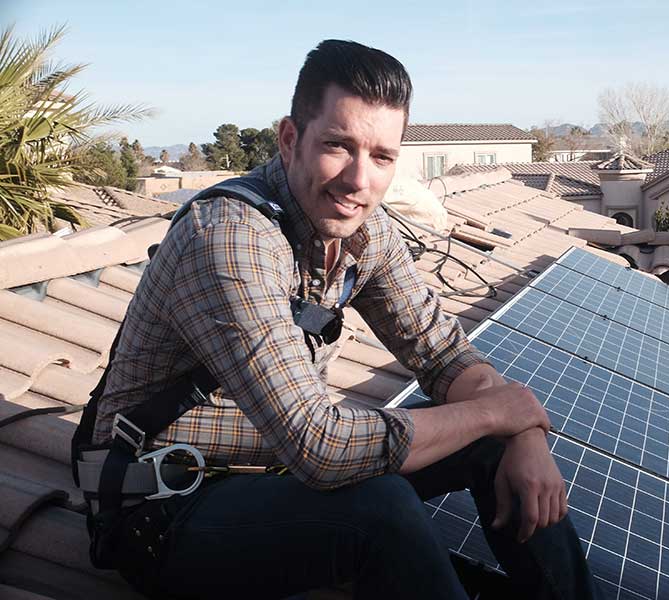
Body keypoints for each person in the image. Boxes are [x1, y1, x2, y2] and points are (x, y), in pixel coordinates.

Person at [91, 39, 599, 599]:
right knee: (382, 511)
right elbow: (320, 446)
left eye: (381, 156)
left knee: (488, 442)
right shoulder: (230, 239)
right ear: (290, 140)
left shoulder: (364, 228)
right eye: (338, 145)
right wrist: (496, 412)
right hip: (165, 507)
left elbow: (443, 354)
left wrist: (520, 429)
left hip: (276, 478)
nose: (359, 180)